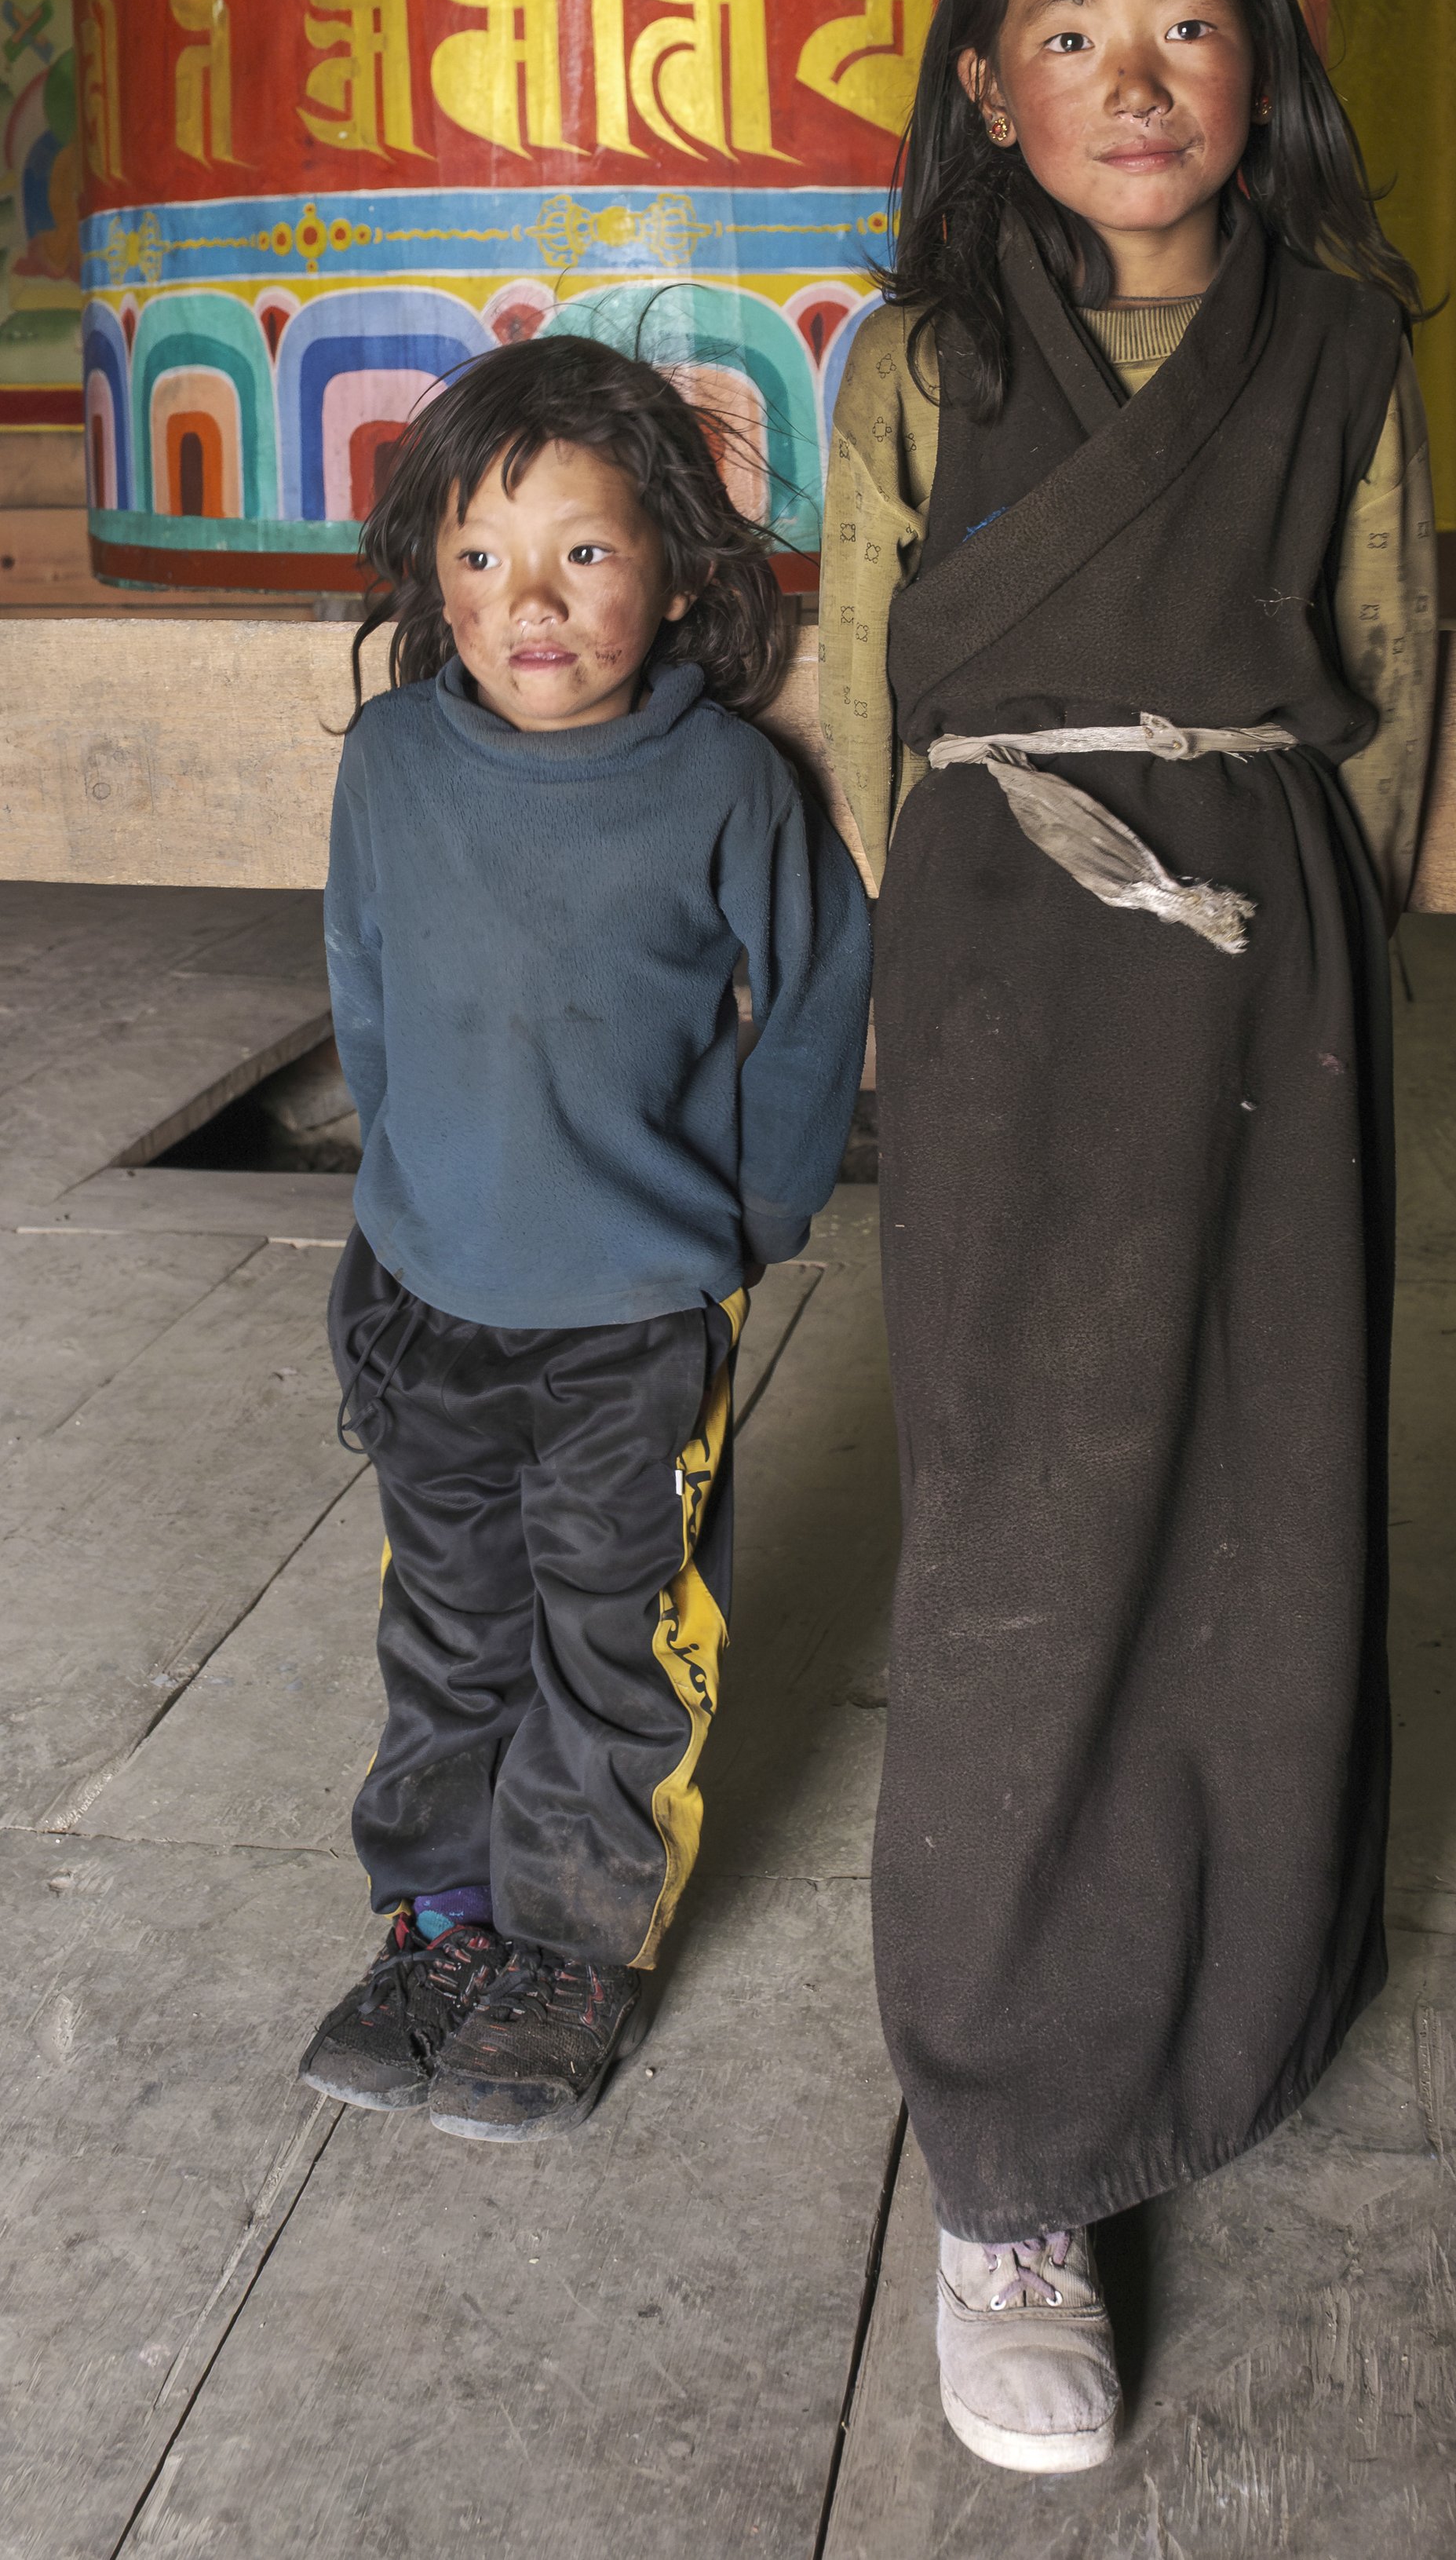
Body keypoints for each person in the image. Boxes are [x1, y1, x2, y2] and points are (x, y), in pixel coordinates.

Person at [819, 0, 1436, 2473]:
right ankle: (1014, 2150)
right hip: (1011, 971)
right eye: (1067, 36)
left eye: (1184, 21)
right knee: (1032, 1526)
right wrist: (1012, 941)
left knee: (1272, 1490)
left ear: (1256, 60)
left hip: (1269, 962)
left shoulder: (1344, 341)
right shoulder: (927, 357)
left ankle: (1232, 1986)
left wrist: (1282, 923)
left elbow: (1388, 677)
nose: (1134, 78)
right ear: (989, 95)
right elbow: (864, 716)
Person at [299, 333, 871, 2144]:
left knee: (609, 1644)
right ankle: (442, 1924)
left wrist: (759, 1209)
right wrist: (394, 1200)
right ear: (429, 576)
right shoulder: (393, 761)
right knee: (449, 1628)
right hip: (429, 1300)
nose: (524, 600)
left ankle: (570, 1951)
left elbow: (814, 994)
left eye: (580, 553)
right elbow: (365, 988)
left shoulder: (720, 785)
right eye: (478, 557)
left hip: (628, 1317)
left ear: (678, 569)